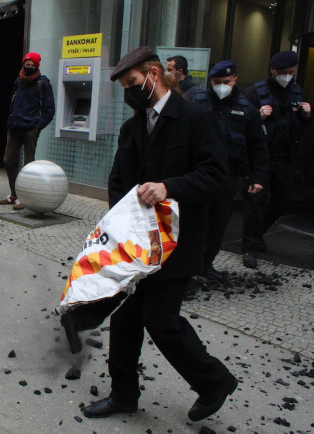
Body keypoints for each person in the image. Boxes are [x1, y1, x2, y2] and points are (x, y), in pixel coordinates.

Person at [80, 47, 235, 423]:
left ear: (153, 74)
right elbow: (119, 180)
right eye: (123, 88)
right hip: (137, 245)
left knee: (161, 320)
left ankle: (215, 381)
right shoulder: (132, 126)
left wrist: (170, 187)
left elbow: (216, 175)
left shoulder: (196, 118)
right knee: (126, 318)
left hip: (177, 243)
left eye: (132, 83)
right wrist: (122, 223)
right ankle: (123, 395)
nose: (129, 92)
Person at [191, 60, 269, 279]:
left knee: (218, 224)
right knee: (194, 224)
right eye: (217, 82)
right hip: (197, 174)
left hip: (227, 176)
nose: (222, 86)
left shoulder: (247, 110)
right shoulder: (196, 102)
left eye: (226, 81)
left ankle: (206, 265)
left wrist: (258, 177)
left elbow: (258, 146)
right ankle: (187, 268)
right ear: (210, 81)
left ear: (235, 80)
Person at [242, 50, 312, 268]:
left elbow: (297, 125)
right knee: (256, 202)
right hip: (261, 156)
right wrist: (257, 116)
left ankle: (257, 234)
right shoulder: (256, 92)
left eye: (291, 72)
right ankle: (250, 246)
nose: (287, 76)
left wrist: (307, 115)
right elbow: (239, 120)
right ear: (273, 70)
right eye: (283, 72)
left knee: (283, 200)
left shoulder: (297, 92)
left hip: (286, 156)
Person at [0, 52, 55, 210]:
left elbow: (49, 110)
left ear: (37, 66)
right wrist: (10, 121)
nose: (29, 67)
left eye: (32, 65)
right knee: (8, 160)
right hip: (15, 127)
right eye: (27, 64)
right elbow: (13, 102)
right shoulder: (18, 81)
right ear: (23, 64)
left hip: (30, 129)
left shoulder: (43, 83)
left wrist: (37, 126)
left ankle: (27, 197)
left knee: (29, 165)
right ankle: (15, 194)